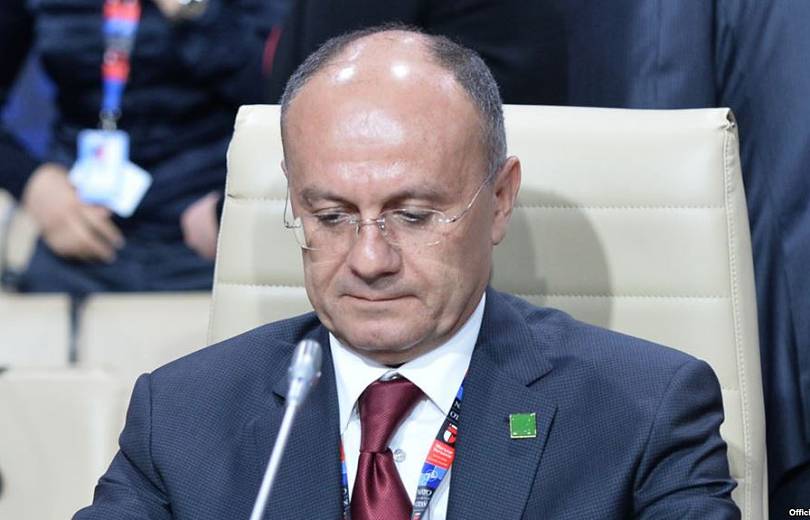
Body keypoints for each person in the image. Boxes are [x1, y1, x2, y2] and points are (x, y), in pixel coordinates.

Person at [75, 27, 739, 519]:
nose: (369, 260)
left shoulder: (643, 412)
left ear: (499, 200)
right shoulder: (181, 416)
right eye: (331, 216)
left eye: (414, 216)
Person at [0, 0, 271, 293]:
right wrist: (31, 182)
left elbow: (280, 96)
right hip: (78, 228)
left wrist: (191, 10)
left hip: (205, 231)